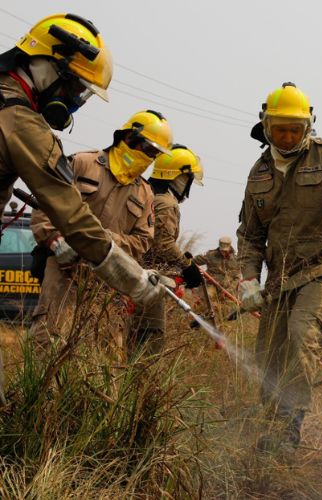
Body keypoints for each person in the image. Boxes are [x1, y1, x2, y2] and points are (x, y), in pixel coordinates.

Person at [237, 82, 322, 451]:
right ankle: (270, 420)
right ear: (266, 127)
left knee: (301, 336)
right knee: (268, 352)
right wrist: (249, 279)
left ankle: (290, 424)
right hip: (279, 276)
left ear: (308, 127)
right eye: (280, 128)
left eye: (294, 129)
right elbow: (250, 235)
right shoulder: (258, 173)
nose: (287, 136)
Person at [0, 14, 167, 309]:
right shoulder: (23, 124)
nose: (74, 102)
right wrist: (133, 280)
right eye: (76, 89)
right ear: (50, 66)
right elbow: (71, 214)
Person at [29, 109, 166, 346]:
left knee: (104, 352)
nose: (150, 159)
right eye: (149, 150)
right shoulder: (82, 163)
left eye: (155, 155)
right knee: (48, 341)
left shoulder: (145, 193)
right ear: (130, 138)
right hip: (65, 274)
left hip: (109, 283)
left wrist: (102, 240)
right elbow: (46, 203)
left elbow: (142, 242)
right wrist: (55, 239)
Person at [138, 144, 205, 351]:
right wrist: (187, 266)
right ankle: (142, 380)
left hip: (136, 274)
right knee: (151, 337)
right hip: (150, 279)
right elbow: (163, 244)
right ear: (180, 178)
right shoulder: (166, 203)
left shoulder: (146, 192)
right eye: (188, 180)